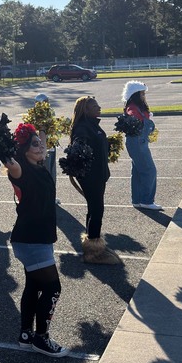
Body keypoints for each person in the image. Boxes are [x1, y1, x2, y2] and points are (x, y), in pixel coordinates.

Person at [5, 124, 66, 357]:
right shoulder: (20, 170)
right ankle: (41, 338)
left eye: (41, 144)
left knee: (34, 285)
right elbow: (9, 161)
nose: (41, 147)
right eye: (35, 145)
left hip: (38, 237)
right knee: (53, 288)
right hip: (32, 240)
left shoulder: (39, 166)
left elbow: (41, 139)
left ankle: (25, 334)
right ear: (23, 150)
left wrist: (39, 129)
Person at [69, 96, 121, 264]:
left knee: (94, 209)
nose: (99, 108)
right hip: (91, 176)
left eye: (98, 105)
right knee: (97, 209)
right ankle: (93, 252)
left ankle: (93, 244)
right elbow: (78, 148)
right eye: (95, 106)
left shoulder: (91, 125)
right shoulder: (82, 128)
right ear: (86, 110)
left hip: (99, 174)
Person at [122, 80, 161, 211]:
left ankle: (137, 200)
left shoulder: (136, 106)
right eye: (142, 94)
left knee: (138, 171)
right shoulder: (132, 107)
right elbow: (131, 116)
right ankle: (147, 200)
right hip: (137, 143)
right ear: (135, 94)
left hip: (139, 142)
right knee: (149, 170)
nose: (144, 96)